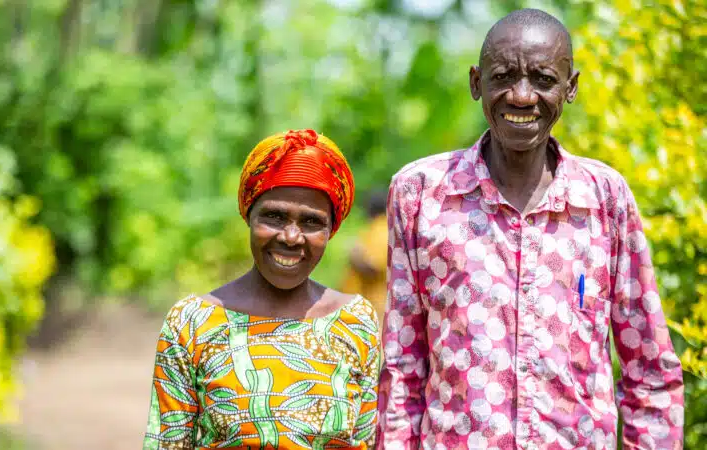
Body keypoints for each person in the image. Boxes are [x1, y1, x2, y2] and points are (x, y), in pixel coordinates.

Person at [376, 9, 684, 450]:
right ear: (475, 83)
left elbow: (650, 371)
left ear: (570, 87)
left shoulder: (605, 198)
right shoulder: (420, 194)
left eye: (542, 79)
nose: (522, 96)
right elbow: (403, 368)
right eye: (503, 76)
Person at [143, 129, 381, 449]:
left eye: (311, 222)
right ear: (248, 215)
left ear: (331, 230)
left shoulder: (356, 321)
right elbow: (166, 443)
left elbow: (369, 440)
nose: (291, 236)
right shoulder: (192, 323)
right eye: (274, 216)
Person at [341, 190, 389, 324]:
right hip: (365, 309)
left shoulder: (381, 229)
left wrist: (354, 255)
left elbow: (372, 269)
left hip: (372, 310)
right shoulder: (377, 228)